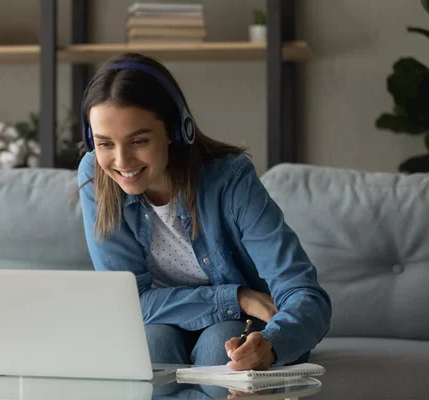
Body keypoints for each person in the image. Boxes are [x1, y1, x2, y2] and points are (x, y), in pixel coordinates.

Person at [77, 52, 331, 370]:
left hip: (243, 327)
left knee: (218, 347)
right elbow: (127, 303)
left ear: (175, 130)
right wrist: (235, 297)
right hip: (162, 323)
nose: (122, 162)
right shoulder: (95, 176)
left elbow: (304, 292)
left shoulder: (231, 178)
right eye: (104, 144)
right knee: (151, 346)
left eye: (138, 141)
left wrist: (271, 344)